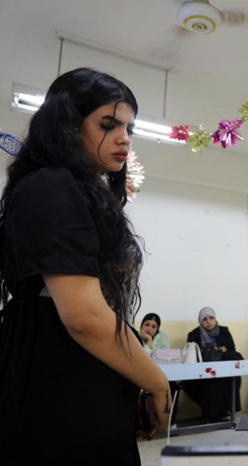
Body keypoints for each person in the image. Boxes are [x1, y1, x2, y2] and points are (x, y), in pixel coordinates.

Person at [0, 68, 171, 465]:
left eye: (129, 127)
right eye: (108, 125)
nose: (124, 138)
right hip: (57, 374)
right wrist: (158, 382)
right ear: (67, 124)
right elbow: (84, 316)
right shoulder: (53, 185)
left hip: (70, 370)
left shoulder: (73, 188)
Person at [183, 307, 243, 422]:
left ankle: (225, 411)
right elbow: (192, 355)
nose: (209, 321)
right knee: (211, 383)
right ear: (200, 321)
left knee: (233, 378)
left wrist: (223, 351)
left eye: (211, 318)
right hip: (203, 373)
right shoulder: (194, 334)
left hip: (223, 370)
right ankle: (214, 416)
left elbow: (232, 350)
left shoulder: (224, 332)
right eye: (205, 319)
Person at [139, 312, 179, 427]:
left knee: (172, 386)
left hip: (160, 373)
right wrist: (149, 341)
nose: (149, 329)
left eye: (153, 326)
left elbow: (164, 357)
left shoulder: (163, 337)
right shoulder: (135, 335)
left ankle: (170, 422)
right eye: (146, 324)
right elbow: (144, 360)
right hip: (140, 374)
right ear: (141, 325)